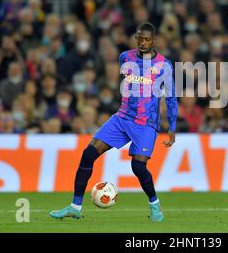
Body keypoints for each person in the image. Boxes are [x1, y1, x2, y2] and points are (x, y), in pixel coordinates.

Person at [49, 22, 178, 221]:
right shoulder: (125, 57)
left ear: (155, 40)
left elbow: (170, 98)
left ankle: (155, 206)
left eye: (147, 39)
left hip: (145, 124)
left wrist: (172, 126)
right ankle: (75, 207)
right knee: (88, 154)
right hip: (122, 117)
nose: (142, 43)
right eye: (139, 39)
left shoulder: (164, 65)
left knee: (138, 167)